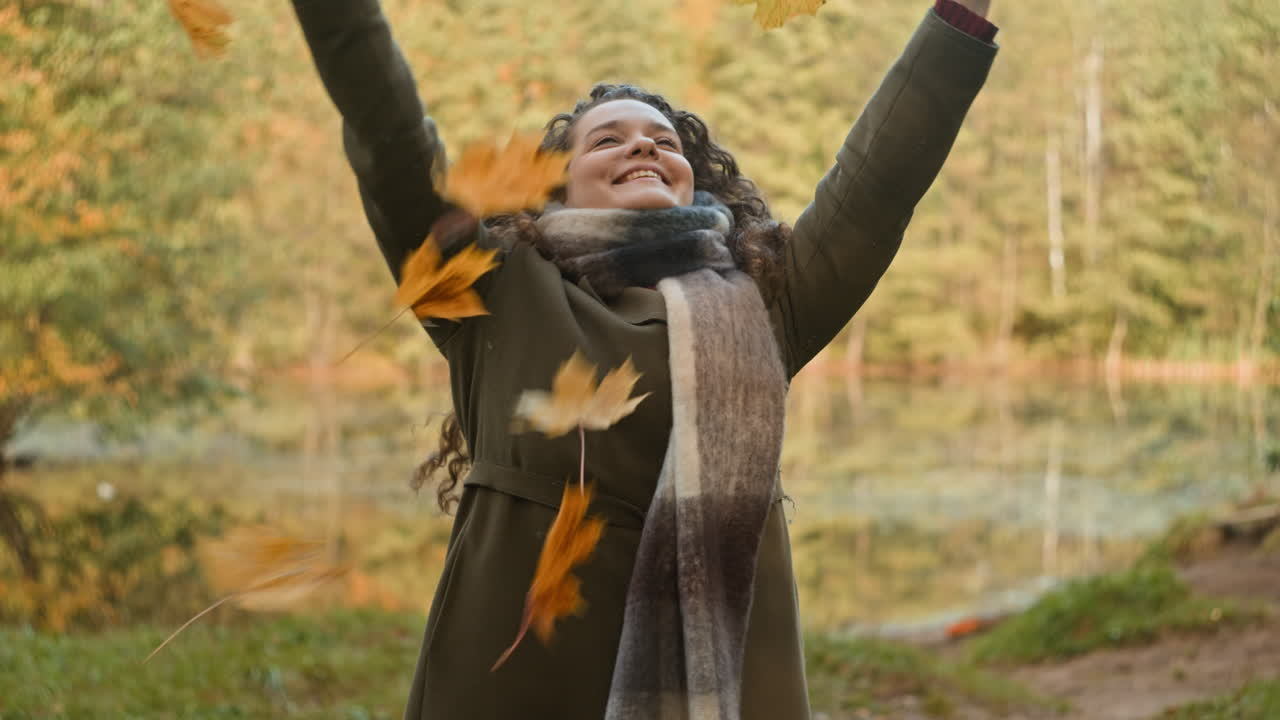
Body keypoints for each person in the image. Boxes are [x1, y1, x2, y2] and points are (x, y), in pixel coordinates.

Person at [291, 1, 998, 717]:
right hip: (524, 672)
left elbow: (875, 188)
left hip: (726, 678)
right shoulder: (494, 285)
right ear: (556, 185)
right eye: (609, 140)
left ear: (694, 176)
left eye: (664, 140)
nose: (643, 147)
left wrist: (960, 16)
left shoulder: (767, 298)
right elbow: (392, 139)